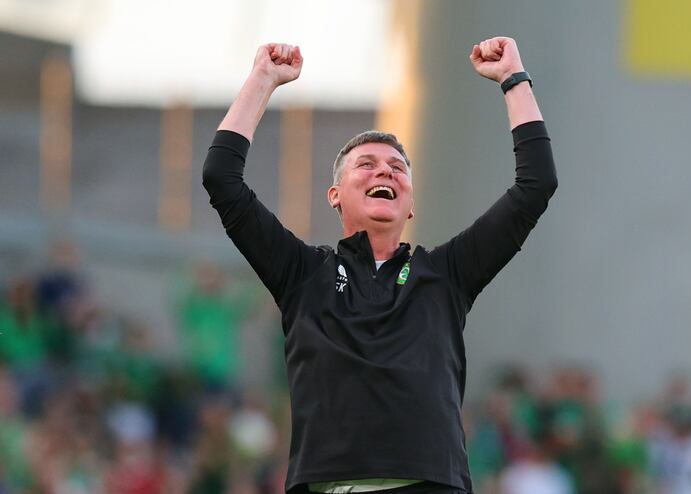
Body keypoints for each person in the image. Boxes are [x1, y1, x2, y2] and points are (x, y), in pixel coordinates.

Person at [202, 36, 557, 494]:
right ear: (335, 195)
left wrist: (514, 79)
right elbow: (221, 179)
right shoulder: (302, 273)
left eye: (397, 167)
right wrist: (261, 80)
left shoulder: (447, 273)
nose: (385, 172)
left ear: (410, 204)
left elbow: (536, 185)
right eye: (365, 165)